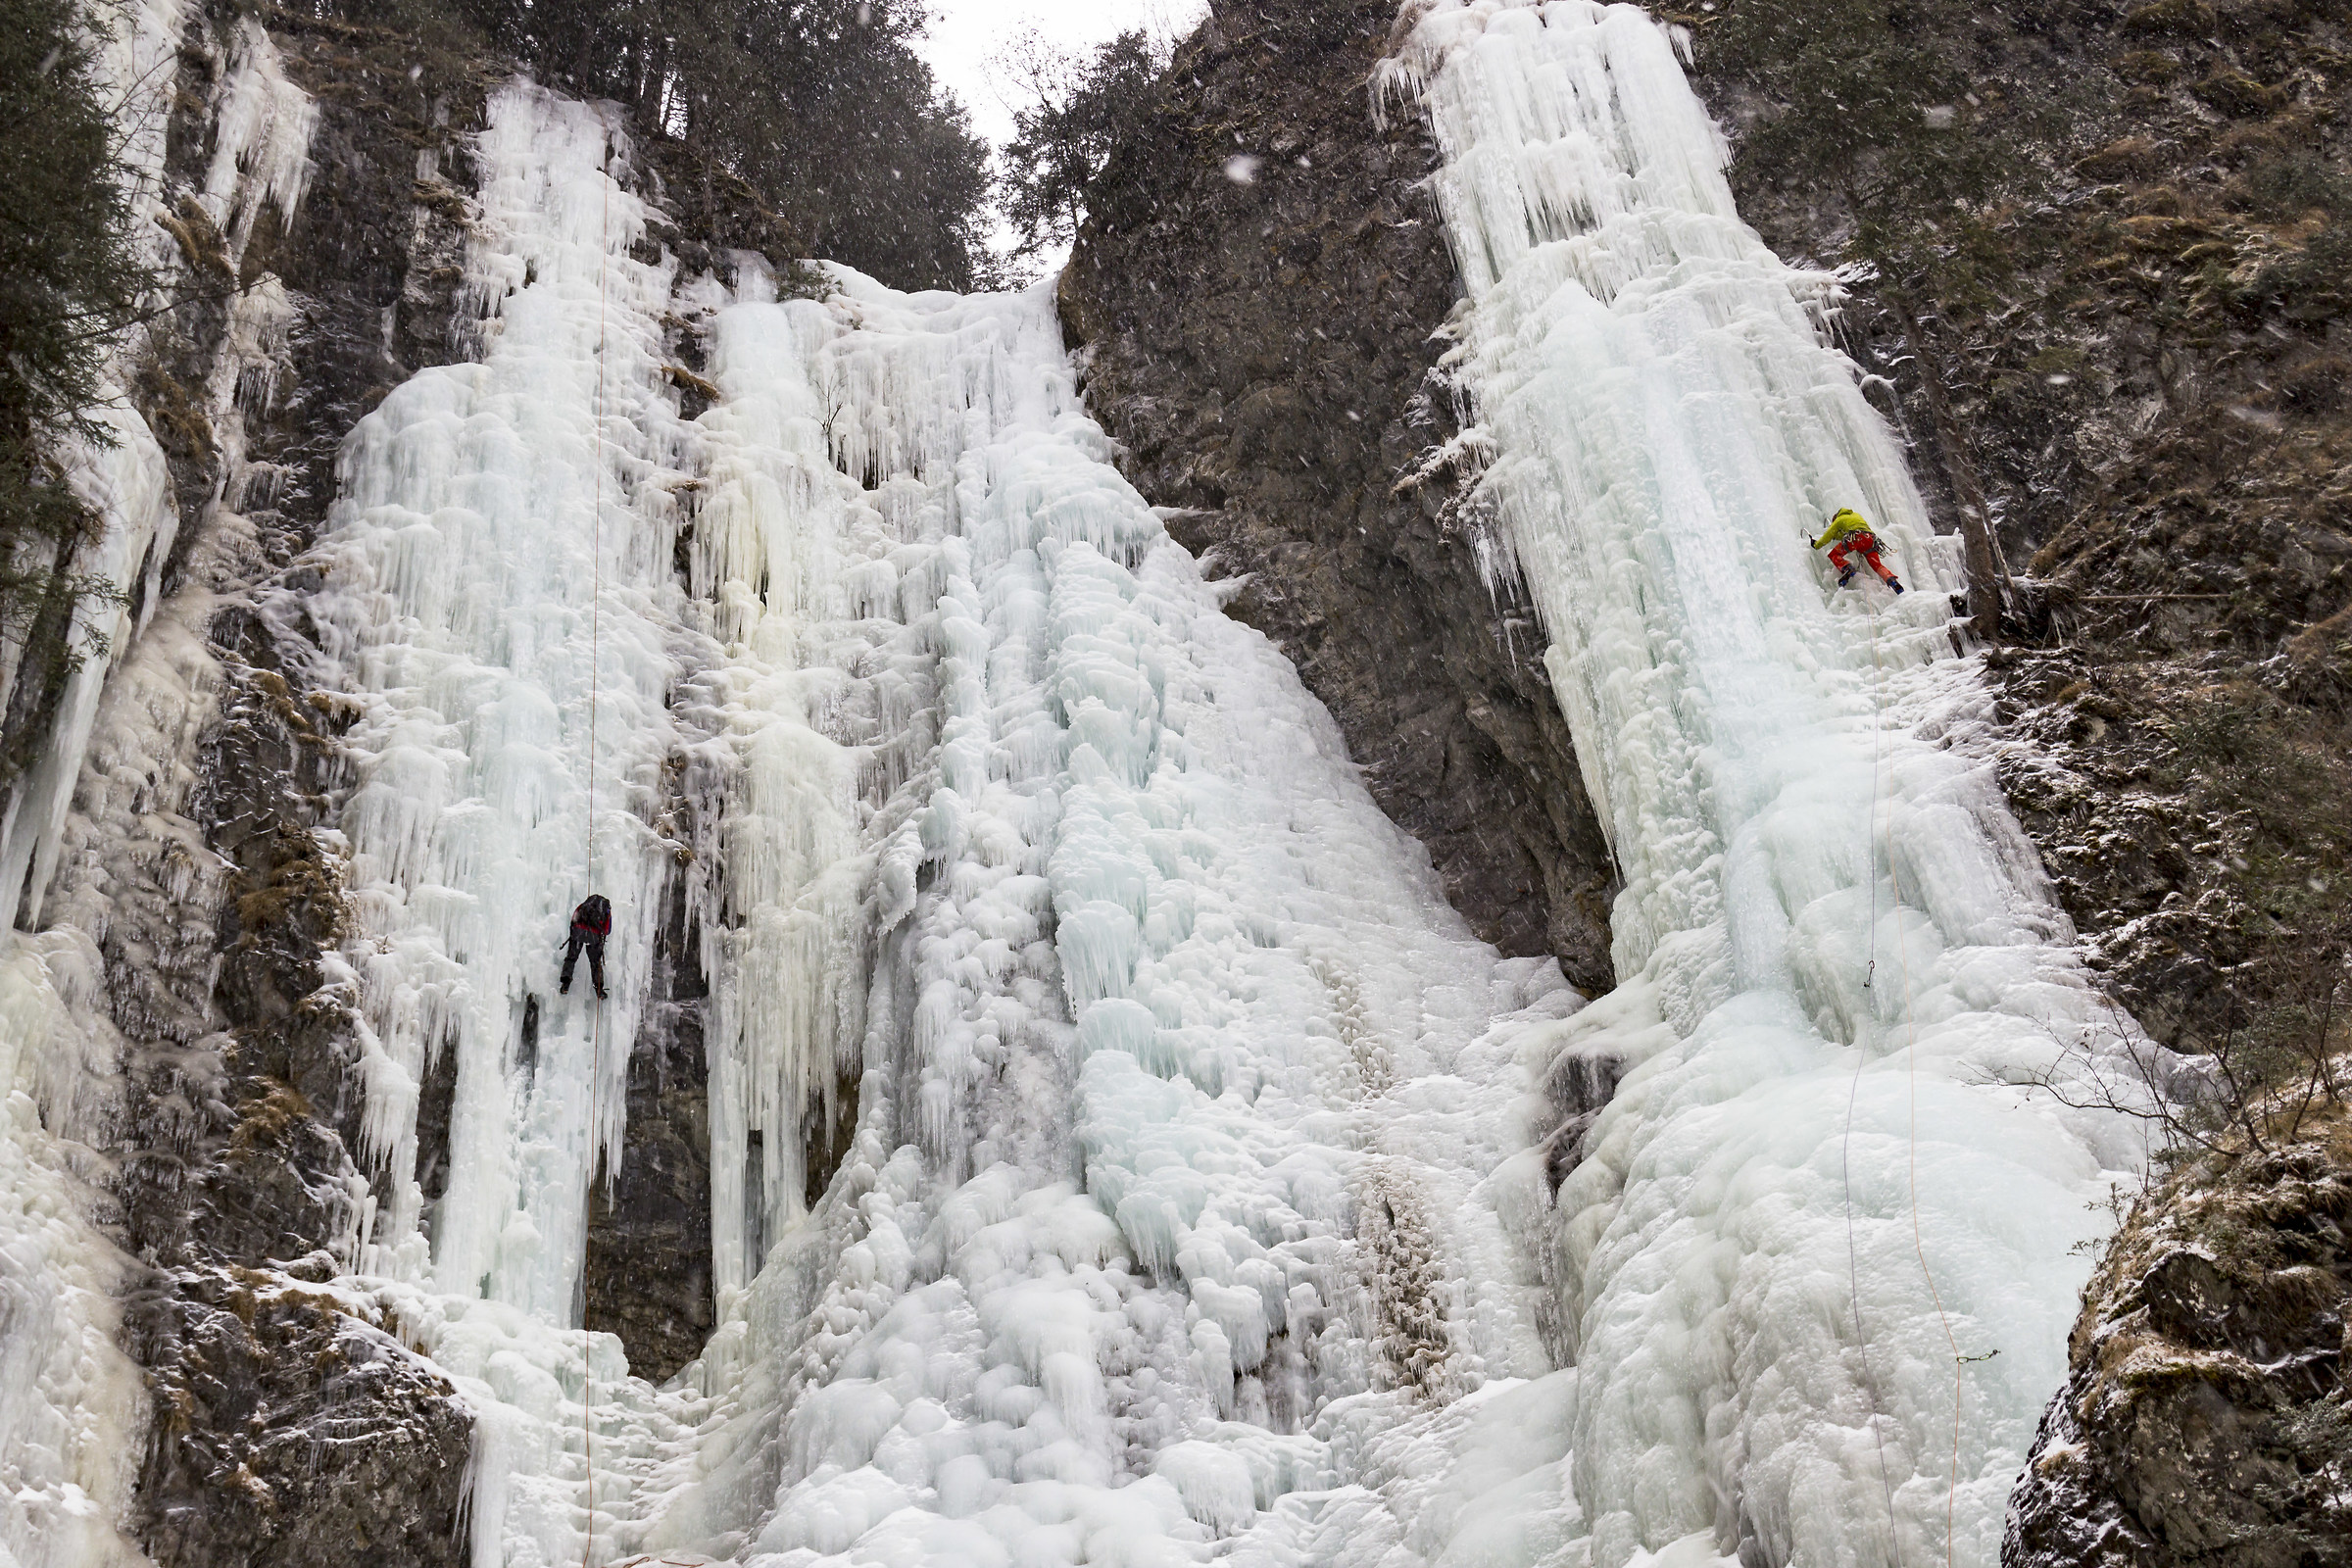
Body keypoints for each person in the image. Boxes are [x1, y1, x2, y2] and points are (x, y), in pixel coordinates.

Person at [1809, 508, 1905, 594]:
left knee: (1834, 554)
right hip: (1870, 540)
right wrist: (1837, 537)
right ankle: (1892, 580)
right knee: (1877, 566)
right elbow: (1845, 534)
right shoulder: (1856, 516)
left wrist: (1816, 545)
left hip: (1856, 538)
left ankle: (1847, 568)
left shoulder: (1839, 520)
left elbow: (1828, 536)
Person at [560, 894, 612, 1000]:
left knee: (571, 958)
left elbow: (574, 918)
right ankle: (599, 990)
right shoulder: (606, 910)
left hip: (578, 932)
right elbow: (607, 930)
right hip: (593, 936)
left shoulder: (584, 906)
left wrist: (574, 934)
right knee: (595, 963)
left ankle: (565, 984)